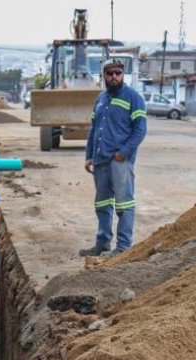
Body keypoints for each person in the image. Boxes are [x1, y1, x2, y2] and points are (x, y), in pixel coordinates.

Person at [80, 57, 147, 257]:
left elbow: (140, 131)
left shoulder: (133, 98)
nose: (114, 77)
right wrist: (89, 156)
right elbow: (94, 130)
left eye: (118, 73)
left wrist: (123, 153)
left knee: (124, 204)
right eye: (110, 73)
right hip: (100, 161)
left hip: (120, 161)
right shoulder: (101, 99)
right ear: (104, 76)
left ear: (123, 75)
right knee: (102, 204)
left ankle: (123, 247)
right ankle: (103, 243)